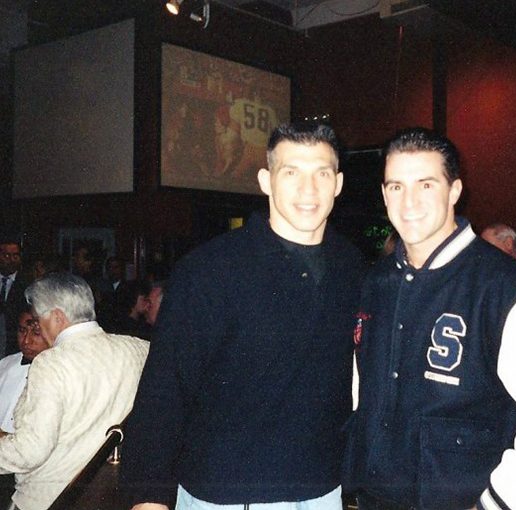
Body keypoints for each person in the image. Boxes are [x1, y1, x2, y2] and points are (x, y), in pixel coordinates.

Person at [343, 128, 516, 510]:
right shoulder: (375, 284)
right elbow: (359, 394)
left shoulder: (511, 290)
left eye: (425, 185)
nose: (409, 203)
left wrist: (498, 505)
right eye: (396, 187)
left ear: (454, 191)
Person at [121, 122, 364, 510]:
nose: (308, 189)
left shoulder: (352, 267)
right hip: (228, 495)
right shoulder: (209, 270)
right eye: (291, 172)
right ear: (266, 181)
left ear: (337, 183)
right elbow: (164, 390)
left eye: (321, 173)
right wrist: (149, 496)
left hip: (323, 490)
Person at [0, 272, 150, 510]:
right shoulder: (139, 349)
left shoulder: (51, 363)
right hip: (109, 495)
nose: (38, 326)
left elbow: (29, 451)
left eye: (39, 320)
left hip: (52, 499)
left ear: (57, 316)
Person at [0, 307, 50, 434]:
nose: (26, 340)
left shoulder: (59, 374)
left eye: (36, 333)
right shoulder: (5, 364)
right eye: (22, 330)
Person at [0, 239, 30, 356]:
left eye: (15, 255)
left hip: (15, 349)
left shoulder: (27, 284)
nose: (11, 260)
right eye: (6, 255)